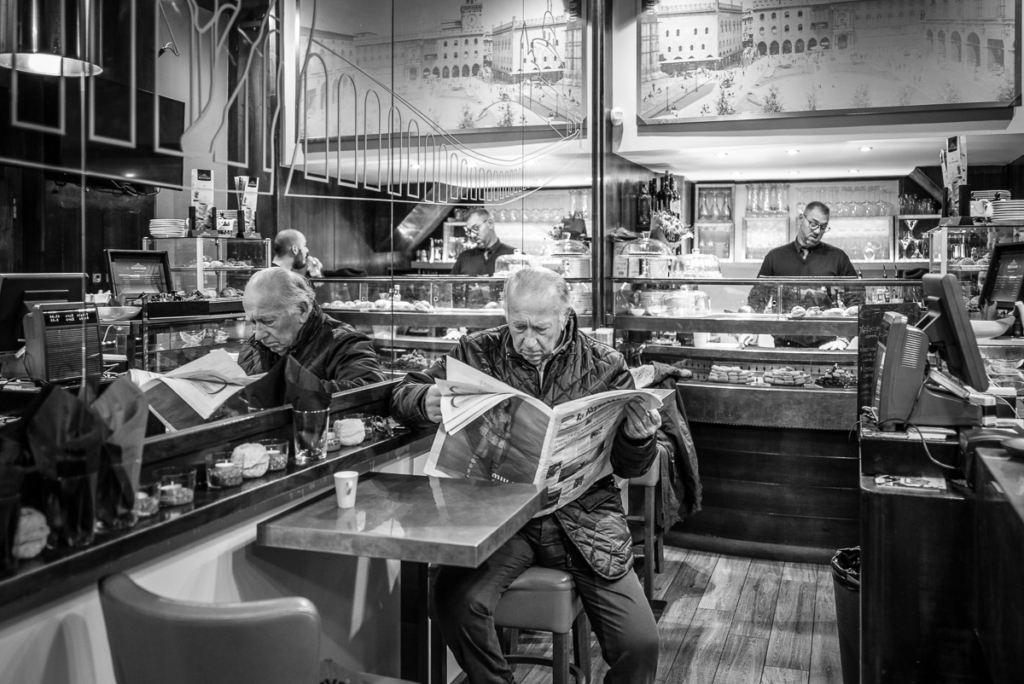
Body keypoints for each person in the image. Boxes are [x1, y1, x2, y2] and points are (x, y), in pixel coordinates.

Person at [391, 267, 663, 684]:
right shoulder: (476, 353)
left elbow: (631, 468)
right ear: (505, 315)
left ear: (566, 314)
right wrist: (420, 399)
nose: (529, 341)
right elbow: (401, 390)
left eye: (541, 328)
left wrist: (638, 437)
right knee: (452, 602)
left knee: (641, 645)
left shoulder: (606, 364)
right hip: (503, 520)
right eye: (518, 327)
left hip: (584, 518)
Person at [238, 268, 385, 389]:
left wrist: (285, 389)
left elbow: (371, 391)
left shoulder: (345, 343)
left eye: (268, 321)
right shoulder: (252, 349)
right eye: (253, 323)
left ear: (302, 310)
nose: (258, 335)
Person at [744, 201, 859, 349]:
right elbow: (756, 300)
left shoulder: (838, 258)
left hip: (827, 345)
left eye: (823, 227)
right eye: (813, 224)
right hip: (783, 345)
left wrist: (844, 339)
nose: (817, 231)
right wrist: (748, 329)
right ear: (800, 219)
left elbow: (857, 301)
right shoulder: (775, 257)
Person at [450, 209, 516, 276]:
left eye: (475, 228)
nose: (472, 235)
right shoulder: (464, 257)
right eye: (469, 231)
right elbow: (451, 285)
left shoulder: (513, 256)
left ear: (490, 223)